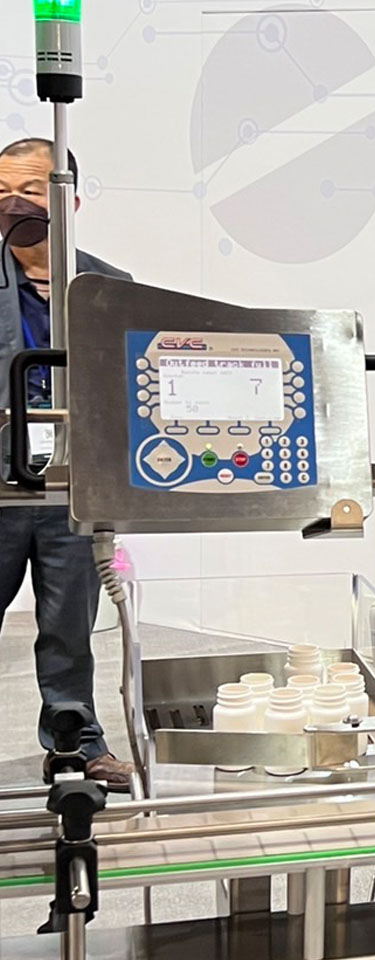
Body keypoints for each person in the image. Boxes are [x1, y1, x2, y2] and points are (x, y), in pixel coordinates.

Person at [0, 137, 134, 789]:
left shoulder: (106, 288)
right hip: (1, 484)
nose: (13, 203)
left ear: (67, 200)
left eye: (29, 191)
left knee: (68, 629)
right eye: (1, 192)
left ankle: (76, 743)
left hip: (71, 488)